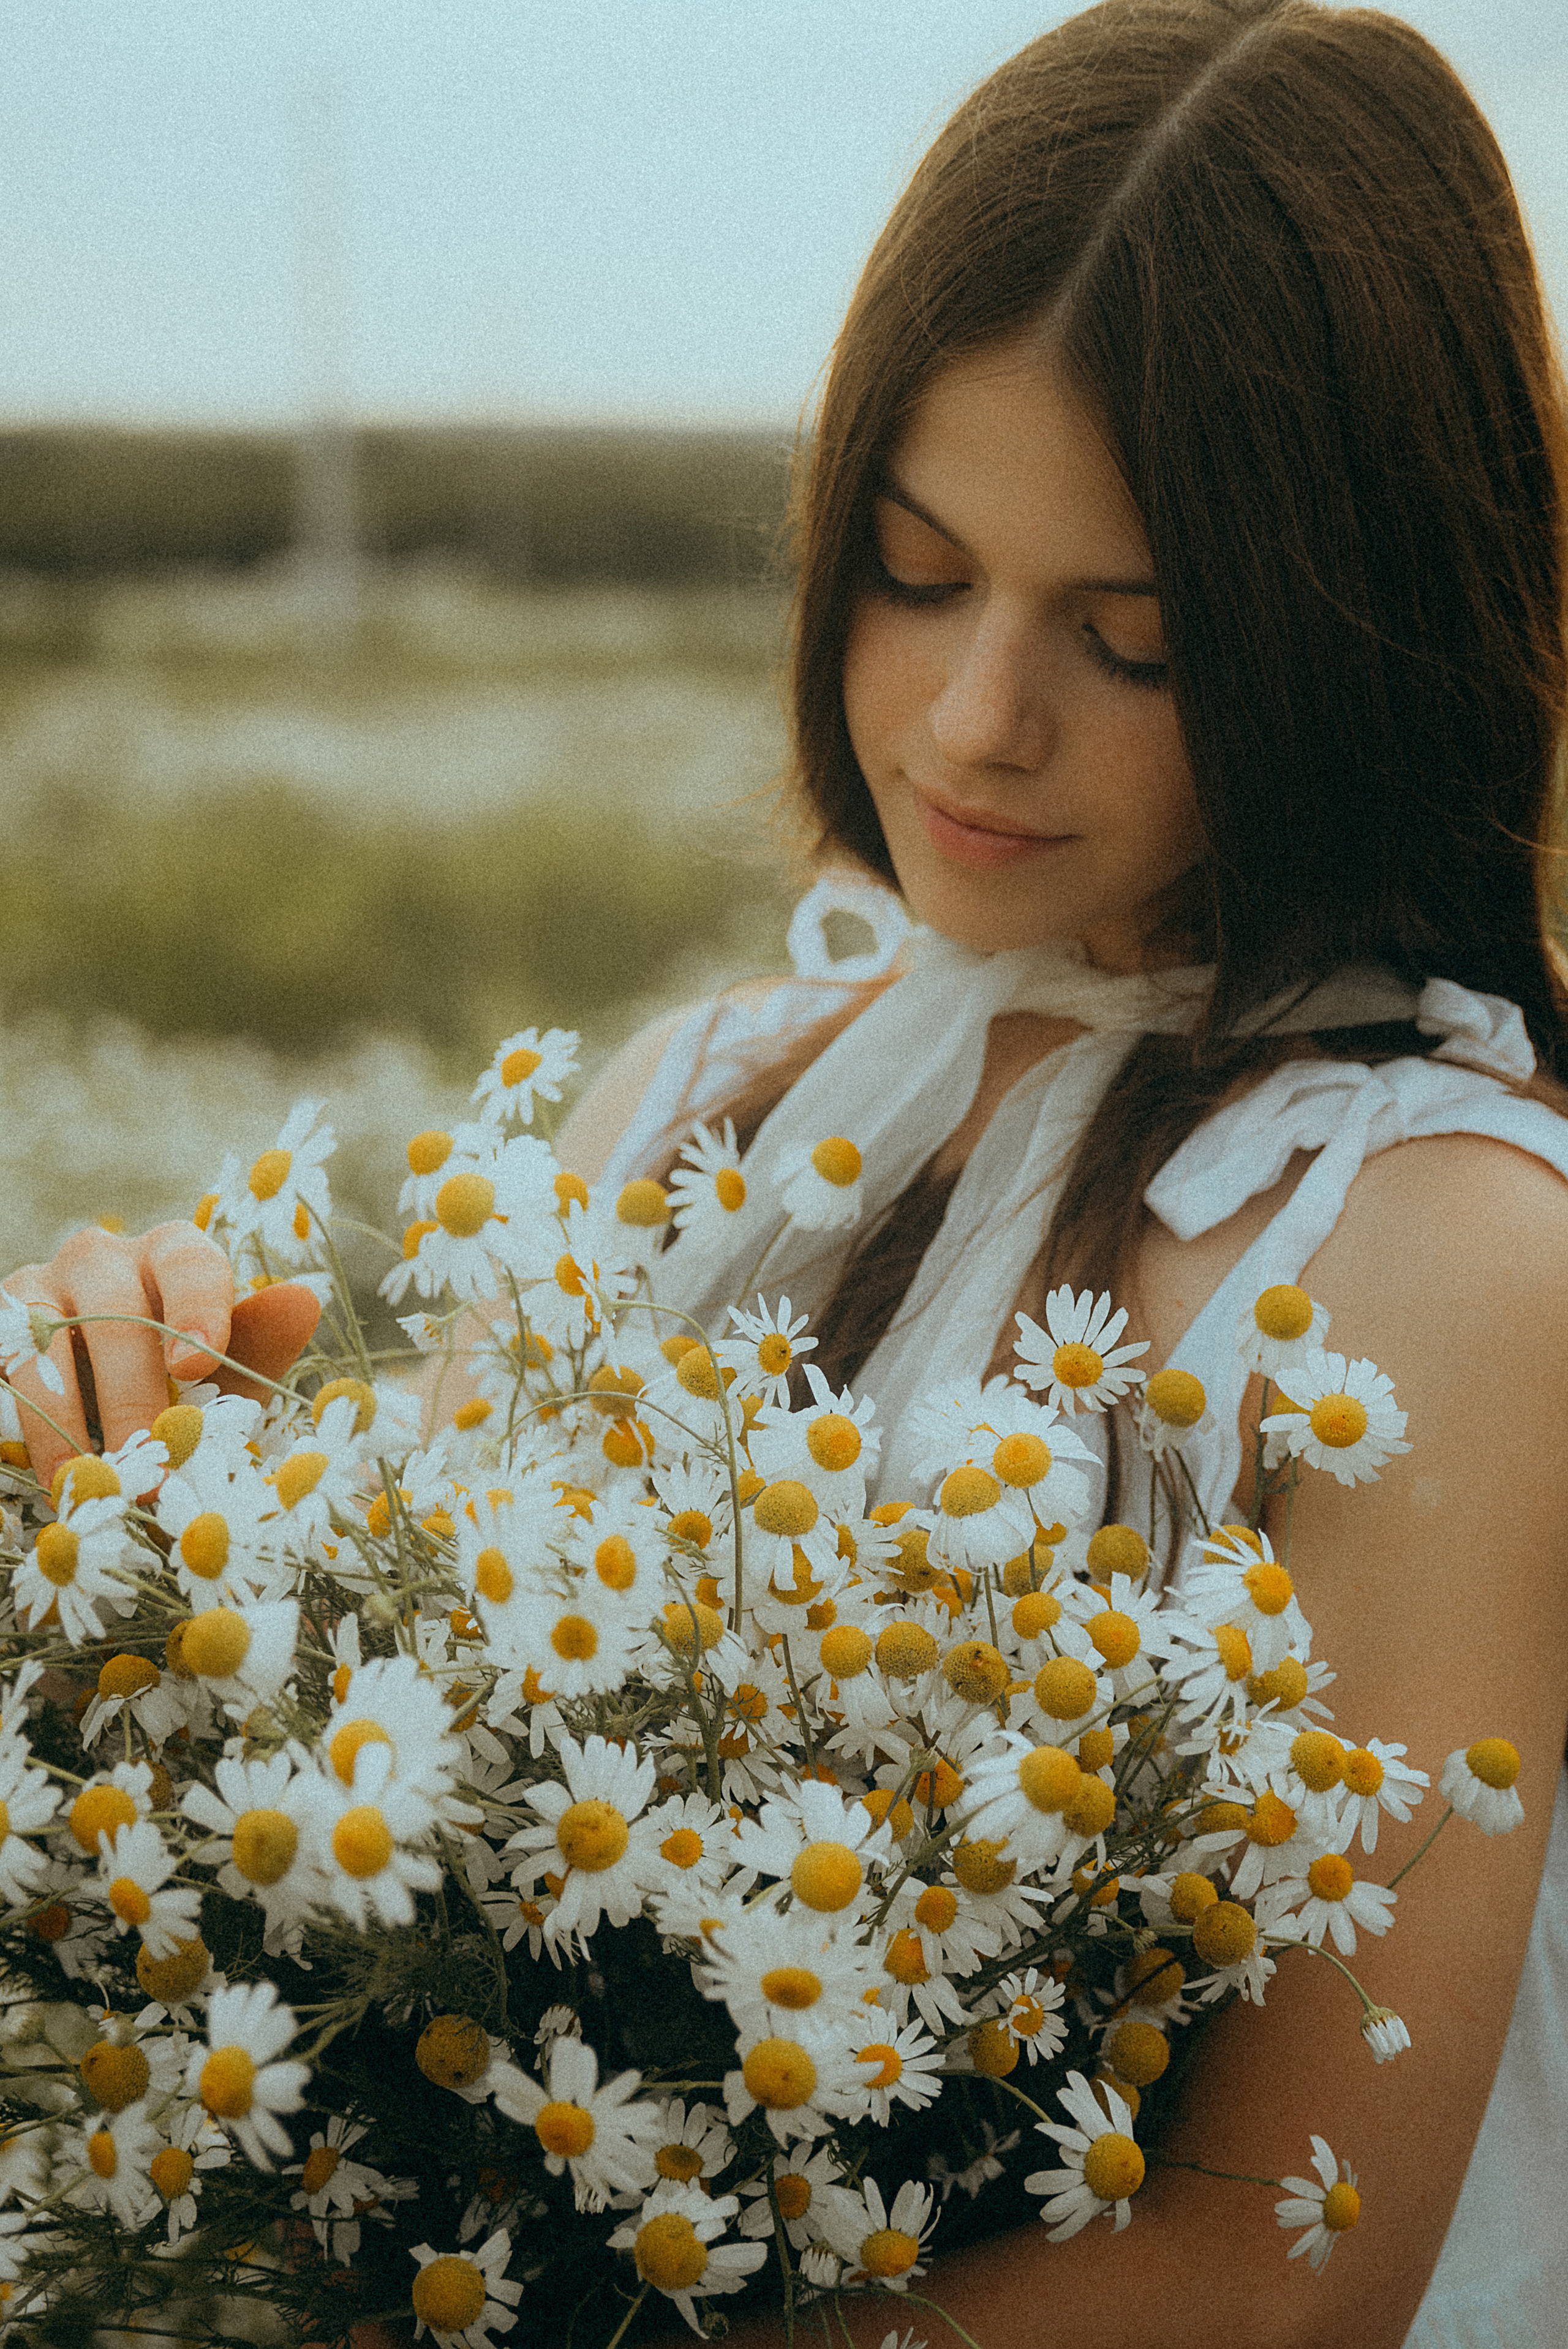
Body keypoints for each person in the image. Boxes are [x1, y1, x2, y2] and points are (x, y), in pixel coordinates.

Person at [6, 1, 1567, 2340]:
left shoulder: (1449, 1255)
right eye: (919, 574)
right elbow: (413, 1799)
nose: (971, 719)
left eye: (1131, 640)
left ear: (1367, 639)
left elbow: (1271, 2266)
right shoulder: (688, 1105)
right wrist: (162, 1465)